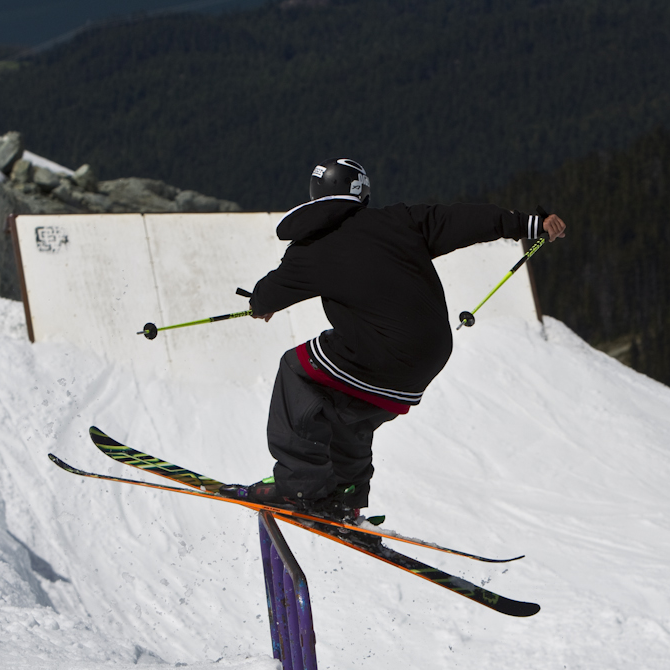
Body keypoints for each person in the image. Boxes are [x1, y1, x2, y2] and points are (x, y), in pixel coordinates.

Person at [226, 158, 565, 523]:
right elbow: (463, 219)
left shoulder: (312, 247)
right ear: (363, 194)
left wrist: (259, 304)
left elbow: (267, 295)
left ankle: (299, 487)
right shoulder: (400, 221)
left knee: (296, 367)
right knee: (354, 407)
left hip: (379, 354)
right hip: (429, 357)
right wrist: (530, 223)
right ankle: (346, 492)